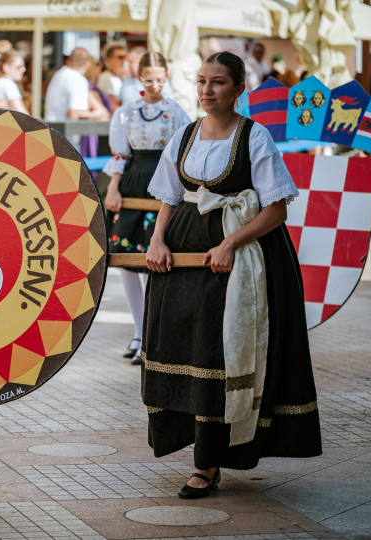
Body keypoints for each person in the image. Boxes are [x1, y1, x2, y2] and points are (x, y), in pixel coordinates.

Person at [143, 51, 322, 498]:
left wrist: (230, 243)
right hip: (183, 260)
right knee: (187, 348)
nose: (207, 90)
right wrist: (157, 240)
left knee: (220, 355)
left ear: (240, 89)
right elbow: (169, 194)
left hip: (240, 262)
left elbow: (276, 209)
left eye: (218, 82)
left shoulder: (255, 137)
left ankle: (207, 465)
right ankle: (198, 451)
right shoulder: (184, 135)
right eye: (202, 81)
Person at [103, 52, 190, 365]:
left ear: (166, 78)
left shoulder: (177, 112)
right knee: (127, 259)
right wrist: (113, 187)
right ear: (139, 78)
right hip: (133, 180)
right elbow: (119, 155)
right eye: (149, 78)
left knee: (152, 259)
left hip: (162, 178)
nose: (155, 84)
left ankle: (152, 335)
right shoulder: (126, 113)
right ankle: (138, 332)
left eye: (160, 79)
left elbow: (181, 156)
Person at [44, 48, 108, 122]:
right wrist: (100, 114)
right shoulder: (78, 79)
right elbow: (74, 113)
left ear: (68, 60)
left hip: (51, 128)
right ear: (87, 65)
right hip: (64, 131)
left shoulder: (59, 74)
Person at [0, 50, 28, 114]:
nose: (24, 69)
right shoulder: (8, 84)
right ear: (6, 67)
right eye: (19, 67)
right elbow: (24, 116)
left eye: (23, 66)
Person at [97, 43, 127, 111]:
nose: (124, 60)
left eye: (125, 57)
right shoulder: (107, 78)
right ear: (109, 59)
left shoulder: (116, 77)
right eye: (120, 57)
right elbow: (113, 104)